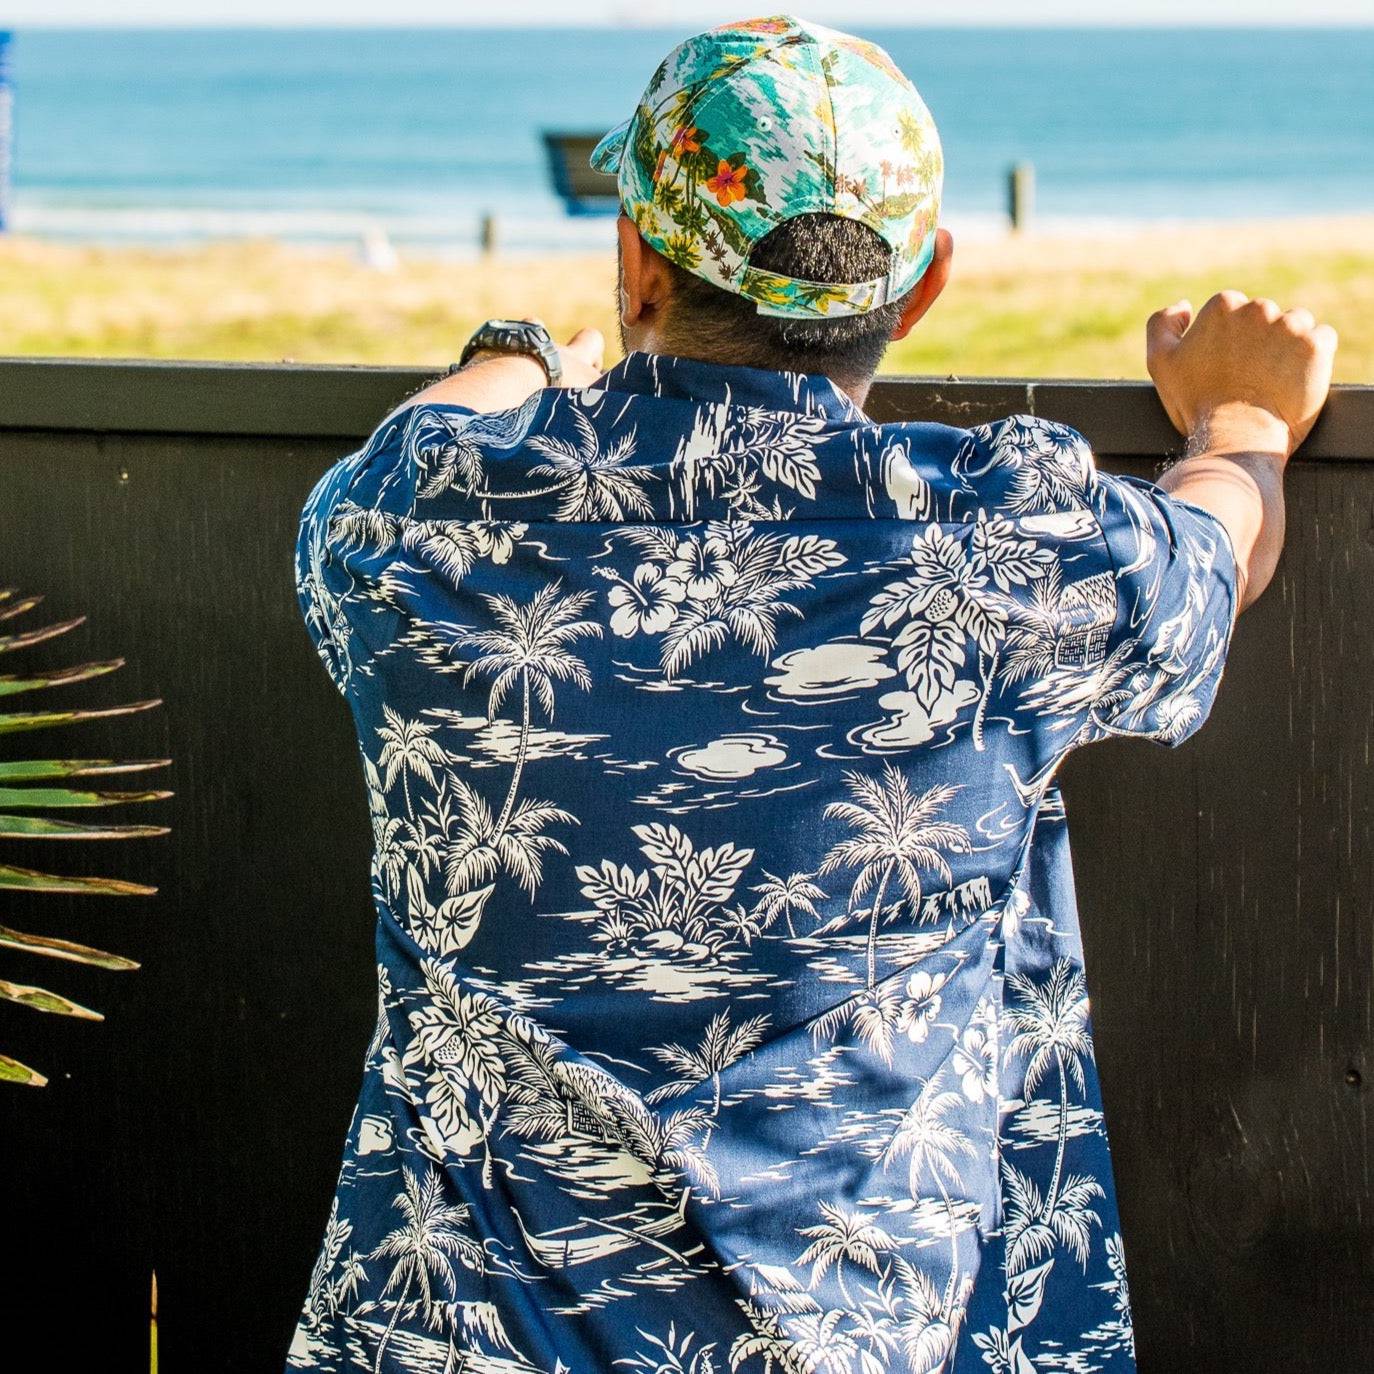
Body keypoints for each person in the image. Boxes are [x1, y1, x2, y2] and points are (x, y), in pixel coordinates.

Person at [287, 16, 1335, 1374]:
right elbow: (1208, 564)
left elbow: (434, 427)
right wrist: (1239, 424)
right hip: (860, 1331)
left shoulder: (416, 516)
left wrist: (526, 351)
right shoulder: (990, 548)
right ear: (923, 287)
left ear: (636, 263)